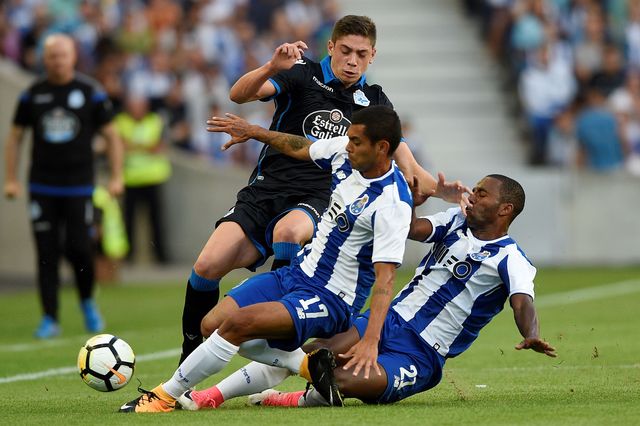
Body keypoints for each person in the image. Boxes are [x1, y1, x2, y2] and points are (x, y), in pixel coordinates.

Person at [178, 14, 466, 364]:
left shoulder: (374, 101)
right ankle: (189, 350)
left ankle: (277, 327)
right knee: (207, 265)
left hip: (319, 197)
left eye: (361, 54)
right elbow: (239, 95)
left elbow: (411, 167)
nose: (352, 60)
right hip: (265, 189)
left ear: (372, 55)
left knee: (289, 230)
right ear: (331, 47)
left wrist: (446, 193)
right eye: (345, 51)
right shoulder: (302, 72)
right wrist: (271, 65)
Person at [120, 105, 420, 413]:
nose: (349, 145)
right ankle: (308, 365)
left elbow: (385, 278)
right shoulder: (344, 154)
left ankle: (163, 396)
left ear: (381, 147)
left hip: (332, 298)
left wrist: (370, 342)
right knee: (211, 324)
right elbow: (302, 147)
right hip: (297, 274)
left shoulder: (392, 203)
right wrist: (254, 132)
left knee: (239, 324)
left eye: (357, 141)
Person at [175, 174, 557, 410]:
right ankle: (213, 395)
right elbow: (413, 229)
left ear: (505, 209)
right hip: (385, 321)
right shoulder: (456, 222)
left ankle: (293, 399)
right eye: (473, 190)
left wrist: (532, 334)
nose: (472, 197)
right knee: (311, 351)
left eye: (482, 193)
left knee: (341, 380)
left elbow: (522, 301)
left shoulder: (512, 260)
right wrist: (404, 202)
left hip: (421, 353)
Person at [3, 33, 124, 338]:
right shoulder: (33, 94)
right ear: (45, 59)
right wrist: (12, 179)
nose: (57, 60)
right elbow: (15, 137)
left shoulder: (90, 92)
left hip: (79, 186)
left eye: (63, 55)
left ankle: (86, 302)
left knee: (80, 248)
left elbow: (112, 135)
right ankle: (49, 317)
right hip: (42, 186)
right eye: (52, 56)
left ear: (73, 57)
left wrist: (116, 176)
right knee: (46, 252)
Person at [114, 94, 171, 264]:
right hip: (130, 179)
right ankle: (128, 256)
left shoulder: (155, 121)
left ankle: (161, 256)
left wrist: (132, 145)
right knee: (128, 221)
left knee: (157, 221)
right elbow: (119, 145)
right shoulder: (120, 121)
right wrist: (143, 145)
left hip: (153, 178)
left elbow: (157, 147)